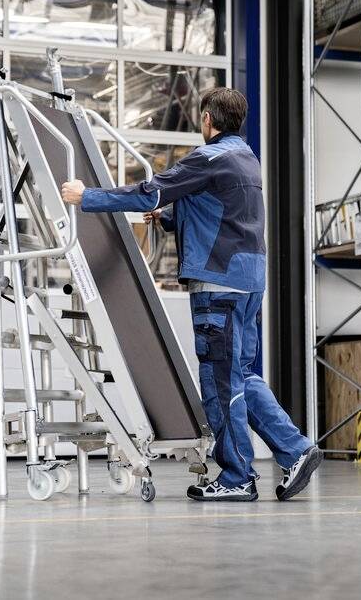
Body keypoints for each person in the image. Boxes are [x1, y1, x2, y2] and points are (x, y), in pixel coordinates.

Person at [60, 87, 322, 502]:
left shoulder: (209, 157)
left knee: (220, 382)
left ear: (206, 119)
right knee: (241, 375)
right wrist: (166, 218)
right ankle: (295, 448)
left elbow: (150, 190)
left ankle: (237, 478)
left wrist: (86, 196)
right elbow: (215, 208)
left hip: (218, 285)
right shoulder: (244, 159)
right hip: (248, 281)